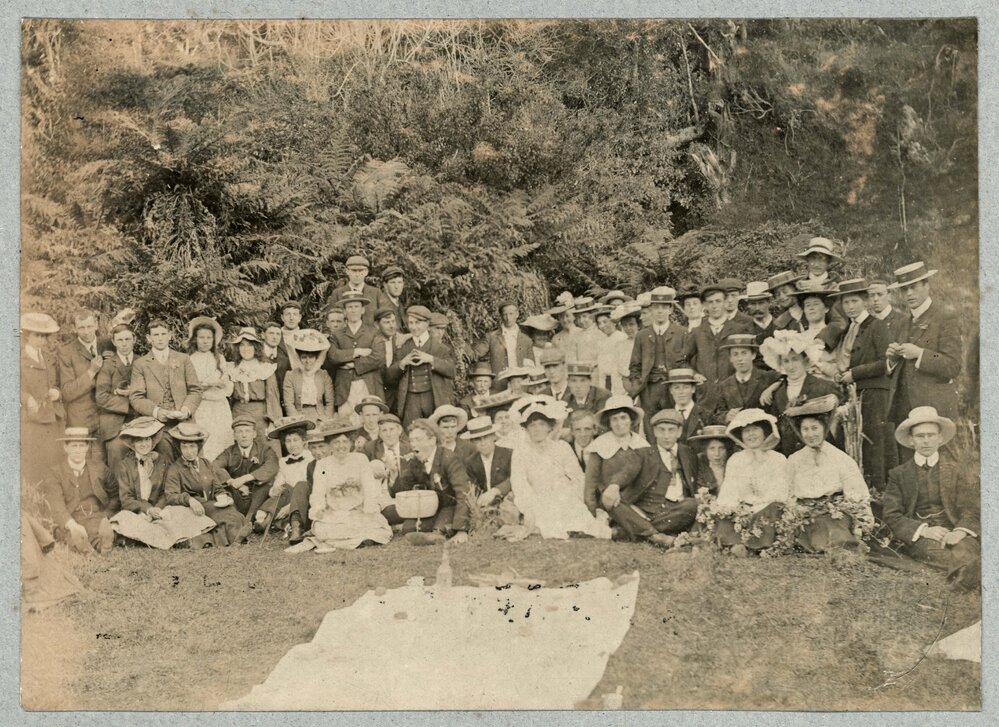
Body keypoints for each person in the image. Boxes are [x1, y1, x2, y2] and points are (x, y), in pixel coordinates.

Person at [882, 407, 979, 589]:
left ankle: (965, 571)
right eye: (920, 436)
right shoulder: (899, 474)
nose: (926, 441)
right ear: (911, 440)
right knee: (938, 551)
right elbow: (892, 515)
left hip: (954, 529)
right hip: (922, 536)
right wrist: (925, 530)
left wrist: (959, 532)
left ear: (940, 438)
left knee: (967, 545)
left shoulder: (956, 470)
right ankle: (969, 572)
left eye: (931, 435)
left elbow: (971, 508)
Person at [508, 396, 611, 540]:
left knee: (574, 511)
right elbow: (519, 484)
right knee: (547, 515)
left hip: (566, 495)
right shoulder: (520, 453)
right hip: (538, 497)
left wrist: (576, 496)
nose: (537, 429)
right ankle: (565, 528)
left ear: (550, 427)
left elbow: (578, 477)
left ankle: (579, 527)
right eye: (532, 425)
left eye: (542, 424)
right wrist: (529, 506)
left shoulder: (561, 447)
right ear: (526, 428)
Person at [109, 417, 215, 549]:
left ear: (152, 441)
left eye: (147, 439)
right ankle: (174, 539)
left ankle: (146, 539)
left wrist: (158, 510)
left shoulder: (162, 461)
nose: (144, 444)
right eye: (139, 440)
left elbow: (167, 491)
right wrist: (148, 510)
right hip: (138, 512)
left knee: (183, 512)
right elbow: (126, 499)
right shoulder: (125, 466)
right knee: (124, 518)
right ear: (133, 443)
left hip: (161, 510)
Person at [784, 396, 874, 552]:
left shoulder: (840, 458)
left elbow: (857, 494)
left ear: (824, 429)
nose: (810, 434)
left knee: (830, 523)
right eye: (805, 429)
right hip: (805, 514)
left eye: (815, 428)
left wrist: (860, 524)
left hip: (834, 512)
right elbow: (789, 493)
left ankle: (833, 545)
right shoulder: (794, 460)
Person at [601, 409, 700, 547]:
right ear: (654, 431)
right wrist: (614, 485)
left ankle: (634, 530)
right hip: (643, 510)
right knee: (612, 502)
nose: (666, 436)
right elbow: (628, 470)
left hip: (674, 511)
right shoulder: (644, 453)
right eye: (661, 430)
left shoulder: (688, 453)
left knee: (692, 504)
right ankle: (656, 536)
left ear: (679, 432)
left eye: (671, 430)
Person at [829, 279, 891, 492]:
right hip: (854, 394)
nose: (850, 306)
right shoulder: (849, 329)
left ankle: (877, 492)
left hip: (873, 393)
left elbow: (886, 363)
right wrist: (841, 374)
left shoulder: (876, 325)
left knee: (873, 445)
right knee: (855, 444)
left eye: (854, 301)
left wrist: (854, 374)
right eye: (846, 303)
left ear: (865, 301)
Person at [301, 415, 392, 551]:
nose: (341, 446)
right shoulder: (323, 465)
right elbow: (318, 492)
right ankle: (357, 539)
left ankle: (355, 538)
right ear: (330, 445)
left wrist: (369, 509)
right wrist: (318, 509)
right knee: (322, 528)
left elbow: (369, 487)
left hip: (358, 511)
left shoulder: (360, 459)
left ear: (351, 443)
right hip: (335, 513)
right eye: (336, 442)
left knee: (374, 525)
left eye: (345, 442)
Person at [886, 261, 962, 422]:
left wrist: (920, 354)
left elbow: (953, 365)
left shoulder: (945, 317)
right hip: (905, 412)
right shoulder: (903, 322)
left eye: (914, 287)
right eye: (904, 289)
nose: (909, 293)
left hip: (935, 413)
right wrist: (892, 360)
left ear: (927, 285)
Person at [710, 409, 790, 554]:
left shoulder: (778, 459)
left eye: (755, 430)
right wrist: (737, 509)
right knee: (724, 511)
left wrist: (755, 508)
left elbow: (779, 493)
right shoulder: (736, 459)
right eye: (747, 431)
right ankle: (737, 544)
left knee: (772, 510)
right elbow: (730, 490)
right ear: (741, 435)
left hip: (766, 507)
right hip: (742, 509)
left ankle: (751, 544)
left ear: (765, 432)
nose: (751, 435)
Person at [164, 422, 251, 547]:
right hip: (191, 508)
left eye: (192, 447)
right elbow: (171, 495)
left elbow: (217, 486)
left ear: (198, 447)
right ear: (179, 448)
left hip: (210, 504)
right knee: (229, 518)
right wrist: (190, 500)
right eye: (185, 447)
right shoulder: (175, 469)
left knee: (235, 513)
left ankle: (217, 539)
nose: (189, 452)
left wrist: (223, 496)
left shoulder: (205, 463)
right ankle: (235, 537)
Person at [759, 330, 842, 457]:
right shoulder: (779, 393)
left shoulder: (824, 386)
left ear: (805, 360)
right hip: (791, 456)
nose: (791, 366)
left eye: (795, 359)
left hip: (821, 454)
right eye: (786, 361)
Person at [390, 418, 472, 543]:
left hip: (451, 506)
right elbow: (402, 491)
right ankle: (434, 532)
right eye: (411, 440)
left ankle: (439, 532)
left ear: (432, 440)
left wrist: (462, 530)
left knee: (443, 520)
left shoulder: (449, 459)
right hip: (431, 509)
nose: (413, 444)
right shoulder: (415, 461)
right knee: (409, 528)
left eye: (418, 439)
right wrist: (395, 472)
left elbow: (464, 492)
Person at [129, 319, 203, 451]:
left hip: (183, 421)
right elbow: (136, 398)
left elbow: (195, 390)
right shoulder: (141, 364)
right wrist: (157, 412)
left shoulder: (183, 359)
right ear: (149, 338)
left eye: (163, 334)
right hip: (157, 423)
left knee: (192, 451)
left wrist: (186, 409)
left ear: (170, 335)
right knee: (164, 450)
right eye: (156, 335)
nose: (160, 338)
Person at [628, 286, 694, 436]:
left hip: (673, 389)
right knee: (651, 428)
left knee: (675, 424)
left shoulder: (681, 333)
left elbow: (688, 361)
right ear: (650, 310)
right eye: (656, 307)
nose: (659, 311)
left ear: (670, 310)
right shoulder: (642, 336)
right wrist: (637, 386)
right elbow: (634, 366)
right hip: (649, 389)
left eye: (664, 307)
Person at [41, 428, 115, 554]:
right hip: (71, 517)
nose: (78, 450)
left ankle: (103, 545)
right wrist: (71, 524)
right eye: (73, 446)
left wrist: (106, 515)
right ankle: (88, 546)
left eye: (81, 446)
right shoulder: (55, 472)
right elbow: (56, 504)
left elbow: (115, 494)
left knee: (96, 529)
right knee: (69, 533)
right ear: (65, 447)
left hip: (96, 516)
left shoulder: (99, 468)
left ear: (87, 447)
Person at [582, 396, 651, 525]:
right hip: (609, 503)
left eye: (623, 418)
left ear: (631, 420)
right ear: (609, 422)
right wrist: (591, 515)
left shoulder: (642, 445)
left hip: (637, 503)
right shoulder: (600, 446)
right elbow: (590, 485)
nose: (619, 424)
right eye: (614, 419)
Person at [386, 305, 456, 427]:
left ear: (427, 324)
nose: (413, 327)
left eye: (417, 323)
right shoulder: (402, 347)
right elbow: (389, 377)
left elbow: (452, 371)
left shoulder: (440, 348)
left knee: (435, 430)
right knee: (411, 431)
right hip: (410, 400)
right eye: (410, 323)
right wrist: (403, 363)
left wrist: (431, 359)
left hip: (433, 397)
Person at [688, 282, 749, 413]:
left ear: (725, 302)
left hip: (734, 394)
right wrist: (694, 374)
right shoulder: (697, 332)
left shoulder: (739, 329)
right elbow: (681, 361)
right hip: (705, 395)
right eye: (710, 302)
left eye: (718, 301)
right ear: (704, 305)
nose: (714, 306)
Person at [21, 313, 66, 485]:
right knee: (34, 464)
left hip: (53, 418)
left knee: (53, 462)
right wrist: (27, 398)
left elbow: (58, 384)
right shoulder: (18, 359)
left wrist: (56, 392)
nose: (41, 340)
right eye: (37, 335)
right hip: (32, 420)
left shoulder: (49, 358)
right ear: (27, 335)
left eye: (44, 336)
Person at [212, 415, 280, 527]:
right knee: (223, 489)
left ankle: (250, 519)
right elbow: (215, 466)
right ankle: (238, 519)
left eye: (247, 431)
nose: (244, 435)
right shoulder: (229, 452)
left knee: (265, 486)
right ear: (234, 435)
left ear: (254, 434)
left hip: (258, 494)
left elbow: (272, 466)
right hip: (238, 493)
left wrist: (245, 478)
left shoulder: (265, 449)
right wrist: (233, 482)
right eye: (239, 432)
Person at [327, 291, 386, 414]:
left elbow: (379, 358)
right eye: (349, 307)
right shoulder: (337, 335)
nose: (353, 310)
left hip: (369, 385)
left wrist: (353, 364)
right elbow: (333, 356)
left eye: (356, 306)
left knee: (369, 418)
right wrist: (357, 351)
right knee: (345, 422)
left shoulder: (374, 332)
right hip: (344, 389)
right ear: (344, 311)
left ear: (363, 310)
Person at [186, 316, 235, 461]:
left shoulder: (219, 358)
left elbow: (226, 383)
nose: (206, 341)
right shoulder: (189, 359)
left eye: (209, 337)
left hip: (219, 406)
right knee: (205, 441)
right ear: (195, 339)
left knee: (221, 439)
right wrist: (209, 384)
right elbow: (190, 386)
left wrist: (221, 383)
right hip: (202, 407)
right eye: (202, 337)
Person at [96, 323, 143, 468]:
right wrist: (128, 404)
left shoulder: (143, 362)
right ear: (114, 342)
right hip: (115, 424)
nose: (124, 344)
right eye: (120, 340)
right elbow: (101, 397)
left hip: (141, 420)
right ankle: (118, 491)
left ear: (134, 339)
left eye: (128, 339)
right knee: (116, 449)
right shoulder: (107, 365)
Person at [257, 416, 316, 532]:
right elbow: (279, 480)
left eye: (296, 440)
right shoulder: (283, 461)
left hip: (305, 498)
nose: (292, 445)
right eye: (288, 441)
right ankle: (264, 520)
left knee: (295, 488)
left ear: (304, 441)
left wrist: (290, 507)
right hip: (287, 496)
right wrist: (275, 490)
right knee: (285, 488)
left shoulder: (311, 458)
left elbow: (311, 487)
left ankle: (271, 521)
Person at [228, 327, 283, 444]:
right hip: (238, 413)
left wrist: (273, 421)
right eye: (242, 345)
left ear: (256, 347)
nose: (246, 349)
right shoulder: (232, 368)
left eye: (249, 345)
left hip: (260, 415)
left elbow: (272, 396)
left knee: (263, 447)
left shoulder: (265, 367)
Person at [713, 334, 780, 424]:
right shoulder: (724, 386)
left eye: (744, 353)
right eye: (735, 354)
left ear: (753, 355)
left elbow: (787, 378)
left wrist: (772, 387)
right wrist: (726, 416)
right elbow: (718, 414)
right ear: (730, 358)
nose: (740, 359)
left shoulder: (767, 377)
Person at [57, 310, 102, 444]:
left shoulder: (107, 344)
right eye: (81, 327)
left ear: (96, 325)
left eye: (89, 326)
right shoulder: (66, 352)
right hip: (81, 420)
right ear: (75, 328)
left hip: (107, 417)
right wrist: (91, 372)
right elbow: (67, 392)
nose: (86, 331)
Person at [285, 424, 333, 544]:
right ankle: (296, 526)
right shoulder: (311, 466)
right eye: (313, 448)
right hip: (317, 508)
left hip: (337, 506)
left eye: (321, 446)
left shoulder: (337, 461)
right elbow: (314, 493)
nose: (317, 452)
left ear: (330, 446)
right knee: (302, 485)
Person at [282, 329, 336, 422]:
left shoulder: (323, 375)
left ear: (316, 358)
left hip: (319, 414)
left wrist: (326, 417)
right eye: (304, 357)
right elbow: (288, 403)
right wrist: (296, 419)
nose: (308, 361)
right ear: (299, 358)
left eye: (311, 357)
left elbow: (330, 401)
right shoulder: (291, 375)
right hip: (299, 414)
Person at [462, 416, 515, 508]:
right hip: (484, 507)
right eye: (478, 439)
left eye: (486, 437)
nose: (483, 443)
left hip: (509, 503)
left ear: (493, 436)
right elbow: (473, 489)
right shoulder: (470, 462)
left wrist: (495, 491)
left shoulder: (509, 454)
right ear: (472, 442)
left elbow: (515, 478)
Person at [475, 301, 535, 377]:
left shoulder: (527, 340)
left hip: (520, 383)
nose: (508, 318)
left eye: (511, 314)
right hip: (499, 383)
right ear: (501, 316)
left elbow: (531, 365)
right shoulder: (491, 337)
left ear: (517, 314)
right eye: (504, 314)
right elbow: (476, 353)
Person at [328, 254, 389, 327]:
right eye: (354, 270)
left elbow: (384, 319)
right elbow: (331, 319)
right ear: (347, 271)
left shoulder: (376, 293)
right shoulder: (337, 293)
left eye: (361, 270)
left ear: (366, 272)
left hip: (372, 336)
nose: (357, 274)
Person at [363, 412, 411, 498]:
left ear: (399, 431)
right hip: (380, 495)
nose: (388, 434)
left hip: (406, 494)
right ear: (380, 434)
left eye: (392, 429)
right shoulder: (369, 448)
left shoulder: (410, 448)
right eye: (384, 430)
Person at [667, 368, 711, 444]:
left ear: (693, 389)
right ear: (671, 390)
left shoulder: (705, 414)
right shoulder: (666, 416)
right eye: (676, 387)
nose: (681, 392)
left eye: (686, 387)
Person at [608, 302, 642, 397]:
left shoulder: (645, 342)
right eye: (625, 325)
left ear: (638, 325)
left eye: (631, 324)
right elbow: (615, 373)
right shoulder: (619, 346)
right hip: (624, 388)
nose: (628, 328)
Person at [687, 425, 733, 494]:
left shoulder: (734, 464)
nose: (717, 453)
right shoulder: (697, 465)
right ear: (705, 450)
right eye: (712, 448)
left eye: (721, 448)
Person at [261, 321, 292, 390]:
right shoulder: (256, 354)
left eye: (278, 334)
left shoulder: (286, 357)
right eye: (271, 333)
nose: (275, 337)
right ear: (263, 335)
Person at [380, 265, 408, 332]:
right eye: (392, 282)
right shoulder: (382, 304)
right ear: (385, 285)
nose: (396, 286)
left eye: (399, 282)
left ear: (403, 284)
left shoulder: (399, 303)